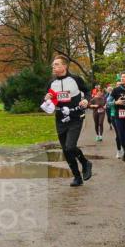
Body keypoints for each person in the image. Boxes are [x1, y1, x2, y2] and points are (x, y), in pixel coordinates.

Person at [45, 56, 92, 187]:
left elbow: (87, 91)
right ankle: (77, 177)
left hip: (75, 116)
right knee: (66, 150)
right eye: (53, 65)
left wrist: (86, 100)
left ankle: (85, 162)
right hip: (60, 118)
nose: (53, 67)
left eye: (56, 64)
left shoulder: (75, 79)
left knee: (70, 146)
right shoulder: (51, 83)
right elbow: (48, 100)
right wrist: (47, 98)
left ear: (64, 66)